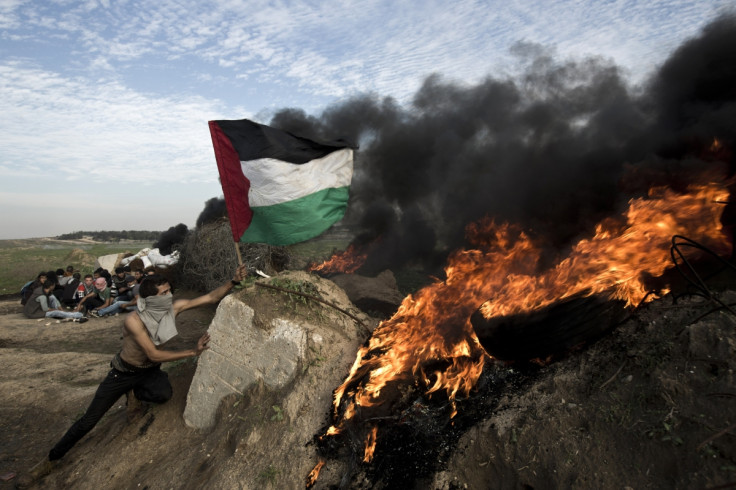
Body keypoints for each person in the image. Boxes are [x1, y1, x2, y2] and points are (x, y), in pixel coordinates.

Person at [17, 264, 248, 486]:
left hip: (148, 371)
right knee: (88, 421)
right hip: (123, 373)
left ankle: (135, 394)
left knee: (164, 394)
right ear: (150, 299)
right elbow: (153, 354)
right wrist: (192, 351)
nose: (169, 296)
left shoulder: (172, 308)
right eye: (164, 293)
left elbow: (208, 298)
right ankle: (49, 460)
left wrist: (233, 281)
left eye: (170, 291)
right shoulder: (134, 321)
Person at [23, 282, 88, 322]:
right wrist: (56, 310)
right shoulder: (42, 296)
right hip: (34, 312)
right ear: (51, 286)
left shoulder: (43, 289)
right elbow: (45, 309)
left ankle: (61, 313)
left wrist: (61, 309)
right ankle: (79, 315)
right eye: (54, 285)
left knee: (52, 297)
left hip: (35, 309)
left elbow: (54, 299)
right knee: (55, 312)